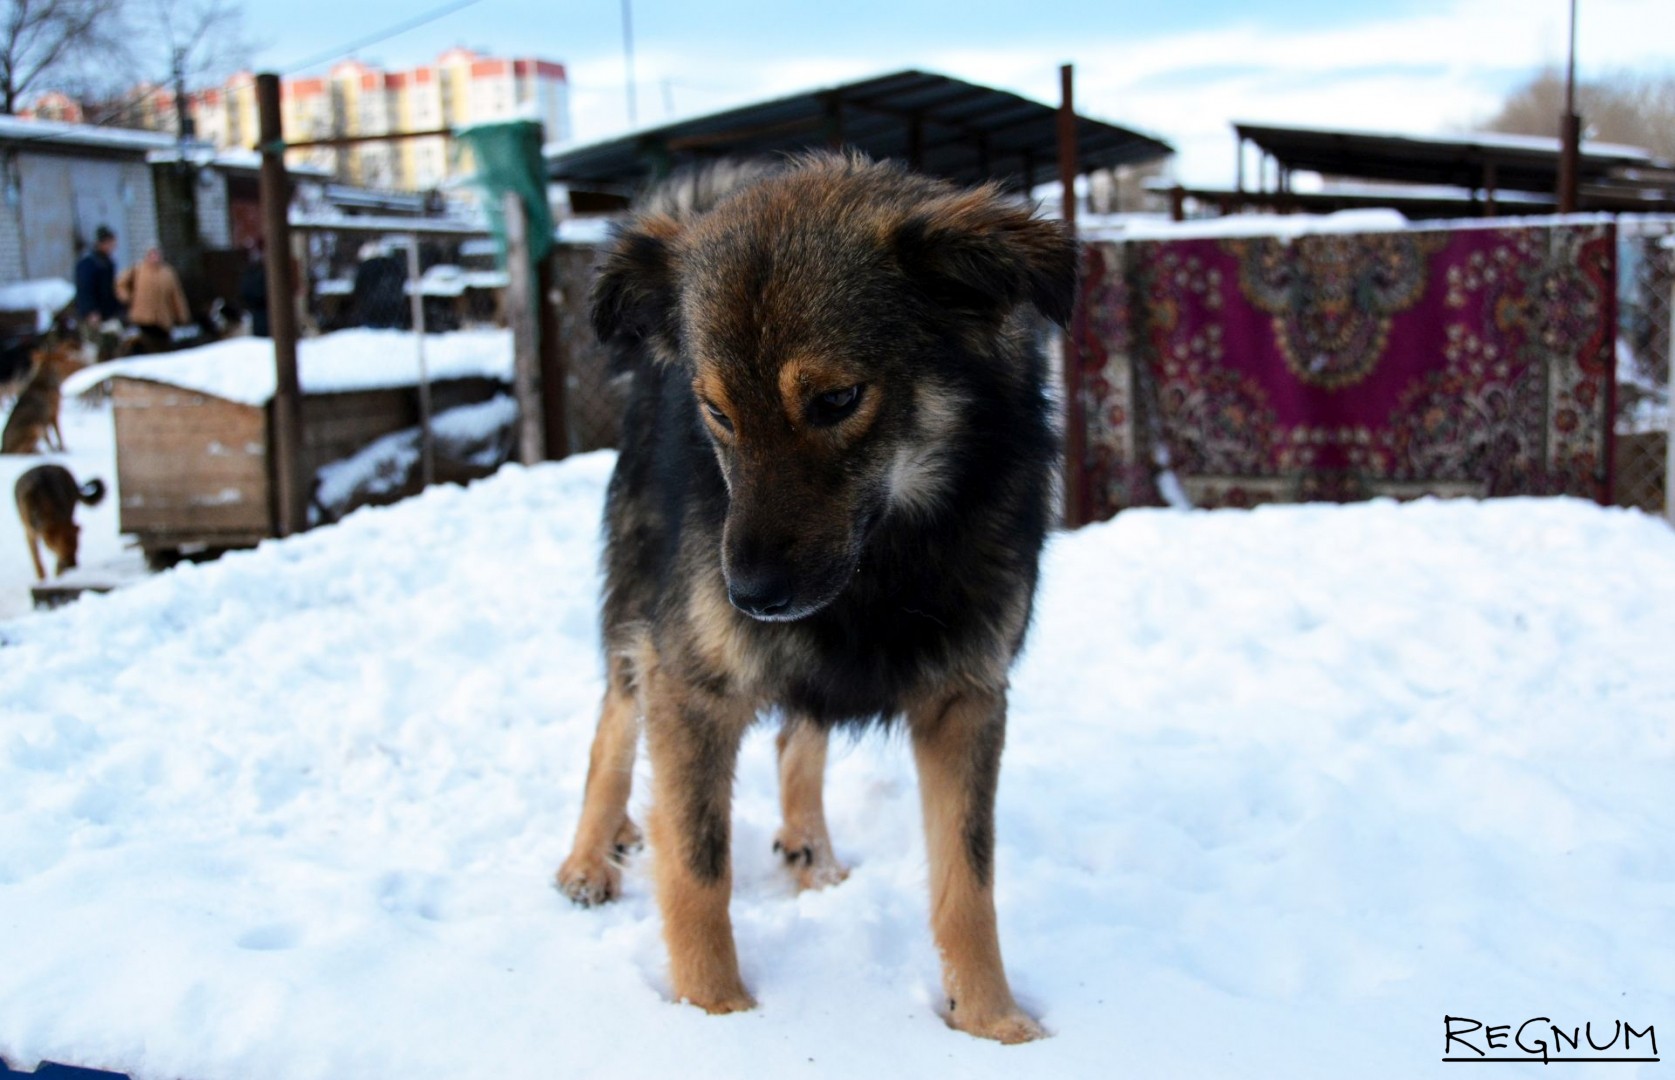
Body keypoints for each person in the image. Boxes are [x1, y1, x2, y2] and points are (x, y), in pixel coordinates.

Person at [116, 247, 191, 354]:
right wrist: (126, 297)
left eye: (157, 255)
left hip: (162, 317)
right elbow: (121, 284)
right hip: (142, 316)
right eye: (151, 255)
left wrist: (182, 315)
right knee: (147, 344)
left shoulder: (168, 273)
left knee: (163, 345)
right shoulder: (138, 270)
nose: (154, 258)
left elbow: (176, 295)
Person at [74, 225, 122, 336]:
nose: (113, 246)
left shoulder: (108, 262)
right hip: (94, 316)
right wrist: (90, 311)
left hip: (107, 313)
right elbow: (85, 288)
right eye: (110, 242)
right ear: (102, 243)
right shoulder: (89, 263)